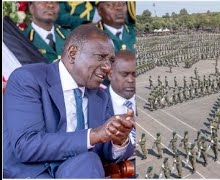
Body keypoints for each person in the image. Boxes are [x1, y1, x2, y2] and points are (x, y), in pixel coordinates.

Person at [4, 24, 134, 178]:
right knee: (89, 160)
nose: (107, 67)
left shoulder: (100, 96)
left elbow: (105, 148)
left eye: (111, 60)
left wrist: (119, 139)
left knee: (90, 161)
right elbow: (26, 145)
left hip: (82, 170)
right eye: (100, 57)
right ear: (73, 53)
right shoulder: (28, 79)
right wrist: (92, 135)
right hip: (33, 172)